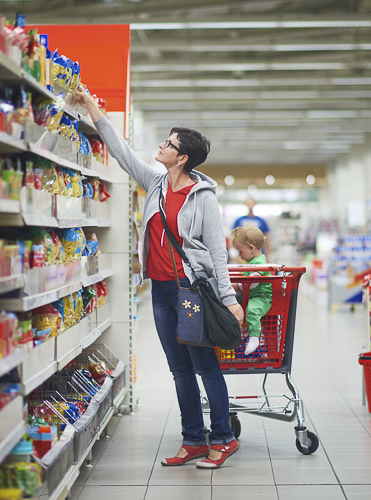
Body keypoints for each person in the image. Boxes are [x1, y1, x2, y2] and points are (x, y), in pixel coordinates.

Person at [74, 85, 244, 469]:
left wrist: (230, 298)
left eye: (169, 143)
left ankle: (223, 437)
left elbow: (218, 253)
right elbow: (121, 153)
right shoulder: (155, 183)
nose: (162, 146)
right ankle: (193, 439)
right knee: (178, 368)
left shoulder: (203, 198)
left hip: (190, 290)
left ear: (182, 158)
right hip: (161, 290)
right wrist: (91, 109)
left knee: (203, 365)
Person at [231, 225, 273, 355]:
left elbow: (253, 283)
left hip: (261, 296)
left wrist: (237, 286)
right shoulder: (252, 262)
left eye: (240, 251)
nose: (239, 255)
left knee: (252, 310)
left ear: (251, 248)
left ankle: (255, 338)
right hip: (251, 295)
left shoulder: (259, 263)